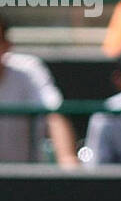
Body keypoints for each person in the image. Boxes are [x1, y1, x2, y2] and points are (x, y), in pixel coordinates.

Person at [0, 18, 79, 167]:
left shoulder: (28, 69)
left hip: (26, 180)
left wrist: (67, 159)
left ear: (7, 45)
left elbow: (54, 114)